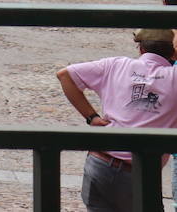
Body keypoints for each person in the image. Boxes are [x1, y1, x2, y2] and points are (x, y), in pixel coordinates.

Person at [57, 29, 177, 211]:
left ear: (140, 48)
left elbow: (65, 75)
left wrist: (92, 117)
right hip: (141, 172)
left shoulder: (116, 65)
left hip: (101, 163)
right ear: (174, 52)